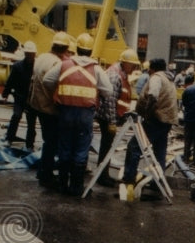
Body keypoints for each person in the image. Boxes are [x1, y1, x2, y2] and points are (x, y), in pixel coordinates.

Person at [42, 32, 112, 196]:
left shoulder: (64, 64)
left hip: (65, 111)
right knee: (81, 149)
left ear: (78, 49)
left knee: (65, 146)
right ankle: (77, 187)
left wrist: (59, 90)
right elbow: (108, 91)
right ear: (90, 50)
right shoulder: (96, 68)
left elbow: (47, 80)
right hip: (85, 114)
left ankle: (62, 185)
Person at [123, 57, 177, 193]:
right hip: (166, 120)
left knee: (134, 147)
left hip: (155, 119)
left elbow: (153, 95)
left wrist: (146, 113)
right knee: (160, 151)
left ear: (152, 68)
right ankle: (157, 184)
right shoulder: (169, 79)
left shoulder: (156, 78)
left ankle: (129, 181)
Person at [29, 32, 71, 189]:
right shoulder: (55, 63)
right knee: (51, 142)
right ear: (65, 49)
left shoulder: (41, 58)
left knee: (48, 141)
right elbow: (55, 87)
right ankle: (45, 174)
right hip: (49, 108)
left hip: (37, 105)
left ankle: (43, 171)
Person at [95, 47, 140, 187]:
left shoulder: (121, 73)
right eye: (132, 65)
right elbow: (110, 101)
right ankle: (102, 176)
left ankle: (103, 174)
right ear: (125, 63)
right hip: (108, 117)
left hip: (111, 116)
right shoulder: (115, 76)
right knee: (106, 147)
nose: (134, 68)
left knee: (107, 146)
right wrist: (112, 122)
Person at [1, 41, 38, 149]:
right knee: (16, 116)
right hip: (19, 97)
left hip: (31, 99)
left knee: (31, 123)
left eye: (32, 54)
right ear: (25, 54)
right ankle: (9, 139)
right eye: (28, 54)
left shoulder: (37, 67)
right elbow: (10, 81)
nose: (30, 56)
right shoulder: (17, 66)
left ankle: (29, 145)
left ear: (35, 54)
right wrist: (5, 93)